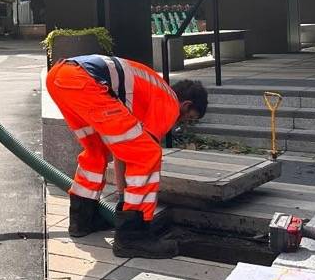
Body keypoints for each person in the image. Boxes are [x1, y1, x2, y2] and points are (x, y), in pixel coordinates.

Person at [45, 54, 208, 259]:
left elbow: (122, 150)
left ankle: (83, 218)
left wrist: (123, 202)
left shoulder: (151, 90)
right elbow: (139, 155)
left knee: (97, 150)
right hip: (84, 82)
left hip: (60, 76)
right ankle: (133, 237)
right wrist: (128, 208)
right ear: (185, 105)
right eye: (189, 118)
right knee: (148, 154)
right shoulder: (168, 102)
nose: (182, 123)